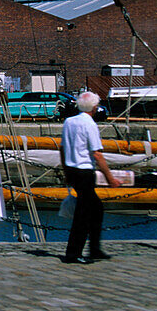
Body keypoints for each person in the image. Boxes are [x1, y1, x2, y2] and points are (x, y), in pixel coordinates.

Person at [60, 91, 121, 264]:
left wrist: (66, 173)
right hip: (85, 171)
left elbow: (63, 149)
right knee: (83, 214)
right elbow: (97, 154)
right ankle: (73, 253)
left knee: (96, 209)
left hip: (72, 169)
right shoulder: (90, 125)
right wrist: (110, 179)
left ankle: (94, 248)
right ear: (94, 108)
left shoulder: (69, 122)